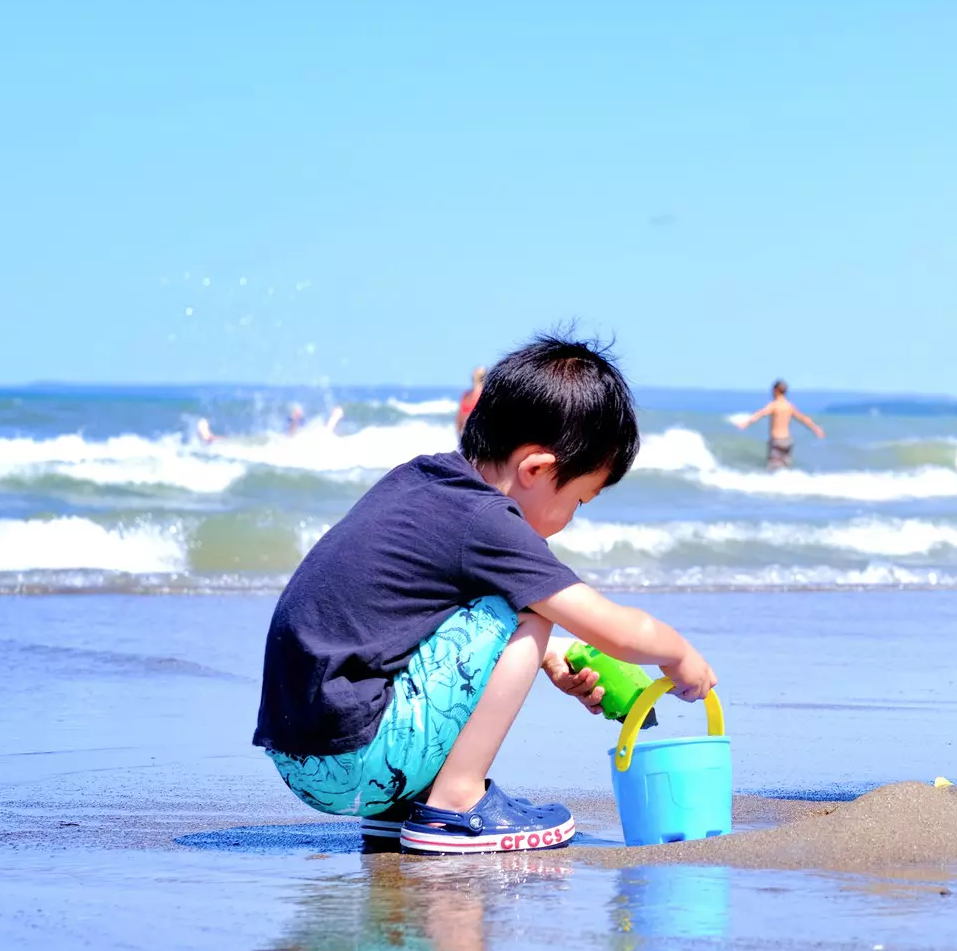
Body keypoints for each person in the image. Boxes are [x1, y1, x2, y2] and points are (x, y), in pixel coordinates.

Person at [253, 333, 719, 855]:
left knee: (517, 611)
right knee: (533, 605)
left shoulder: (423, 481)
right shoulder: (486, 521)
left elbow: (402, 623)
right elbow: (618, 630)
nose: (571, 519)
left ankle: (403, 807)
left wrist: (545, 654)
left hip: (303, 754)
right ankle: (455, 804)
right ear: (536, 470)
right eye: (579, 501)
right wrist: (679, 655)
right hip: (356, 757)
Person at [736, 379, 824, 469]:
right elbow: (803, 418)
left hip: (777, 441)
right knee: (785, 468)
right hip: (788, 441)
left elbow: (760, 414)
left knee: (774, 469)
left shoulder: (774, 405)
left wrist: (746, 423)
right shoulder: (789, 406)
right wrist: (816, 429)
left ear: (776, 390)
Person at [456, 366, 488, 438]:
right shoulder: (467, 395)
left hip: (479, 435)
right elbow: (459, 417)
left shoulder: (486, 395)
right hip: (466, 434)